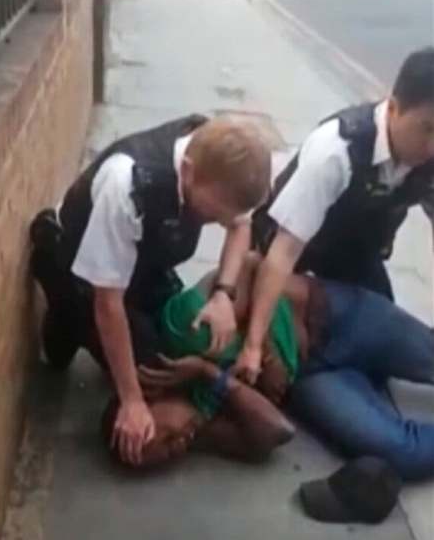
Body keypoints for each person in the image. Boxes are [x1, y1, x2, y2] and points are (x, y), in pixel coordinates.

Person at [29, 115, 271, 466]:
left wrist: (223, 294)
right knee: (147, 379)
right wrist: (131, 401)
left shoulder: (217, 163)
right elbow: (107, 304)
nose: (220, 222)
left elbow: (240, 225)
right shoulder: (127, 185)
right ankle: (61, 302)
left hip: (145, 263)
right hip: (82, 272)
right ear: (187, 172)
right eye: (213, 214)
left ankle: (106, 336)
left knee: (176, 354)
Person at [103, 257, 434, 480]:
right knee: (399, 451)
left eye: (167, 437)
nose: (179, 446)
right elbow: (276, 433)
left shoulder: (182, 331)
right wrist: (211, 375)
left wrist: (263, 348)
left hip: (336, 317)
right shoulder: (201, 427)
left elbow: (251, 262)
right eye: (171, 455)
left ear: (147, 403)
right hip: (314, 376)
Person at [236, 46, 434, 384]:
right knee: (283, 353)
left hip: (354, 252)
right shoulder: (336, 151)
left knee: (379, 350)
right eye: (427, 128)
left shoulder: (426, 162)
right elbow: (283, 252)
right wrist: (253, 345)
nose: (433, 147)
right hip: (294, 250)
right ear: (394, 108)